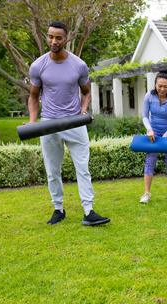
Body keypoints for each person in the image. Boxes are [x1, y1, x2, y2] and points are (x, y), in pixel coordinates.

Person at [26, 21, 110, 226]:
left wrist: (83, 111)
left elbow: (87, 92)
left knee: (83, 167)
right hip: (48, 123)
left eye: (58, 38)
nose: (53, 41)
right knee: (52, 170)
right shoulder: (38, 65)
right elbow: (34, 96)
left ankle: (89, 211)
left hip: (74, 122)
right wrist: (32, 121)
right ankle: (58, 209)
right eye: (50, 37)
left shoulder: (79, 65)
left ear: (66, 39)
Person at [139, 70, 167, 203]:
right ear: (155, 84)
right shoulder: (148, 97)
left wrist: (164, 138)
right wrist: (149, 129)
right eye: (159, 86)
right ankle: (146, 194)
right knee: (150, 161)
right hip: (153, 133)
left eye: (165, 86)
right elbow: (145, 116)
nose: (162, 89)